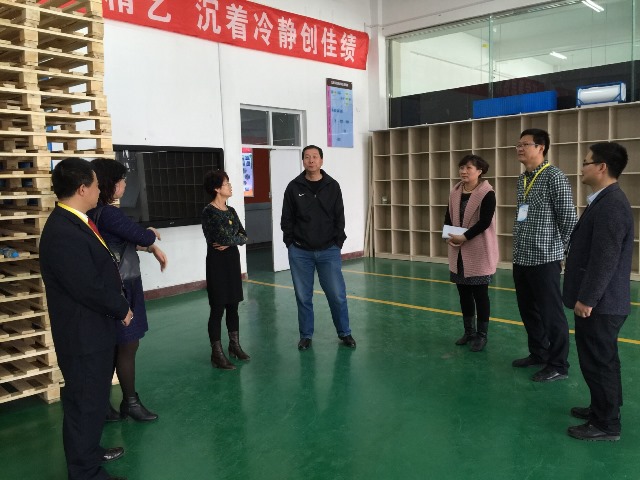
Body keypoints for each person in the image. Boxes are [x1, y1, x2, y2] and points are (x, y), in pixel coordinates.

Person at [40, 158, 132, 480]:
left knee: (93, 400)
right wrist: (121, 308)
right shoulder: (63, 232)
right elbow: (87, 286)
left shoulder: (77, 222)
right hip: (82, 335)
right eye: (95, 184)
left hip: (93, 330)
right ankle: (85, 472)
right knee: (84, 403)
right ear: (82, 189)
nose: (98, 190)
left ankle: (90, 452)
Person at [563, 142, 633, 441]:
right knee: (601, 359)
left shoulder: (612, 204)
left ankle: (606, 424)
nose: (582, 168)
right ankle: (603, 408)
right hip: (603, 301)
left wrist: (587, 299)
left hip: (601, 303)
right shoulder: (604, 200)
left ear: (602, 167)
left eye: (586, 162)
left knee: (599, 361)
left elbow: (605, 259)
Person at [88, 159, 167, 422]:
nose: (124, 184)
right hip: (123, 286)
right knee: (128, 344)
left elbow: (126, 242)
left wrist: (149, 245)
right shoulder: (109, 214)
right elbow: (144, 237)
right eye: (121, 180)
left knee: (115, 346)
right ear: (110, 184)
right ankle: (130, 403)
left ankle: (104, 404)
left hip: (112, 284)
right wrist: (149, 236)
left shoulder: (93, 213)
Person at [511, 128, 577, 382]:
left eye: (525, 144)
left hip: (545, 258)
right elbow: (523, 214)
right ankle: (539, 353)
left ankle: (559, 364)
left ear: (541, 147)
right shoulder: (523, 179)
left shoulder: (554, 176)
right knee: (528, 310)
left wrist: (567, 255)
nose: (519, 148)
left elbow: (568, 220)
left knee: (551, 314)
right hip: (522, 256)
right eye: (518, 144)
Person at [281, 145, 355, 350]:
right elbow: (286, 219)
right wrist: (290, 243)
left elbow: (339, 217)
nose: (311, 160)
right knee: (303, 296)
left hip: (329, 251)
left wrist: (337, 243)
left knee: (337, 294)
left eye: (315, 157)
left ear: (321, 160)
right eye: (307, 157)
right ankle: (306, 335)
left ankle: (345, 332)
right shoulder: (293, 187)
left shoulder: (332, 186)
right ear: (303, 161)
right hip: (300, 251)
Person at [444, 154, 498, 352]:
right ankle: (469, 332)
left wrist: (464, 237)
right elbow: (448, 216)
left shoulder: (487, 193)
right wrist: (447, 234)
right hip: (458, 249)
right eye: (461, 168)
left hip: (478, 249)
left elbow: (484, 222)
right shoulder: (455, 191)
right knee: (463, 293)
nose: (463, 171)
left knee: (480, 294)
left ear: (479, 171)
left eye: (468, 168)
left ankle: (482, 335)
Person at [202, 170, 250, 370]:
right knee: (217, 308)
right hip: (217, 263)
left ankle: (234, 346)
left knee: (233, 306)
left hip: (231, 261)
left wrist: (231, 241)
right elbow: (221, 238)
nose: (230, 186)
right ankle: (217, 353)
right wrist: (233, 239)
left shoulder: (231, 211)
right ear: (216, 188)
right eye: (226, 183)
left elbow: (244, 236)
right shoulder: (209, 212)